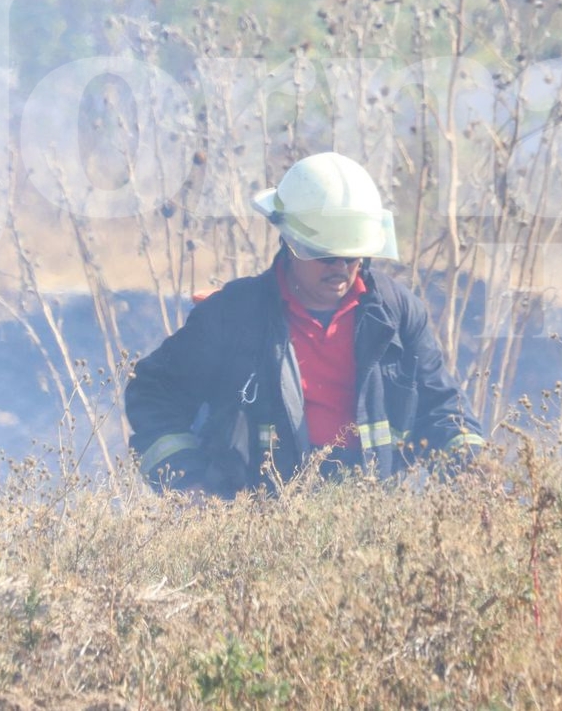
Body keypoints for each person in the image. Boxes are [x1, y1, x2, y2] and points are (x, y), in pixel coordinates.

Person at [125, 151, 485, 497]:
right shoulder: (233, 316)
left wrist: (475, 477)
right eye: (326, 253)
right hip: (256, 524)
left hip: (371, 517)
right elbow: (153, 394)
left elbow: (443, 410)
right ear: (291, 241)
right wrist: (189, 485)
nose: (341, 267)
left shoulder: (396, 314)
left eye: (352, 253)